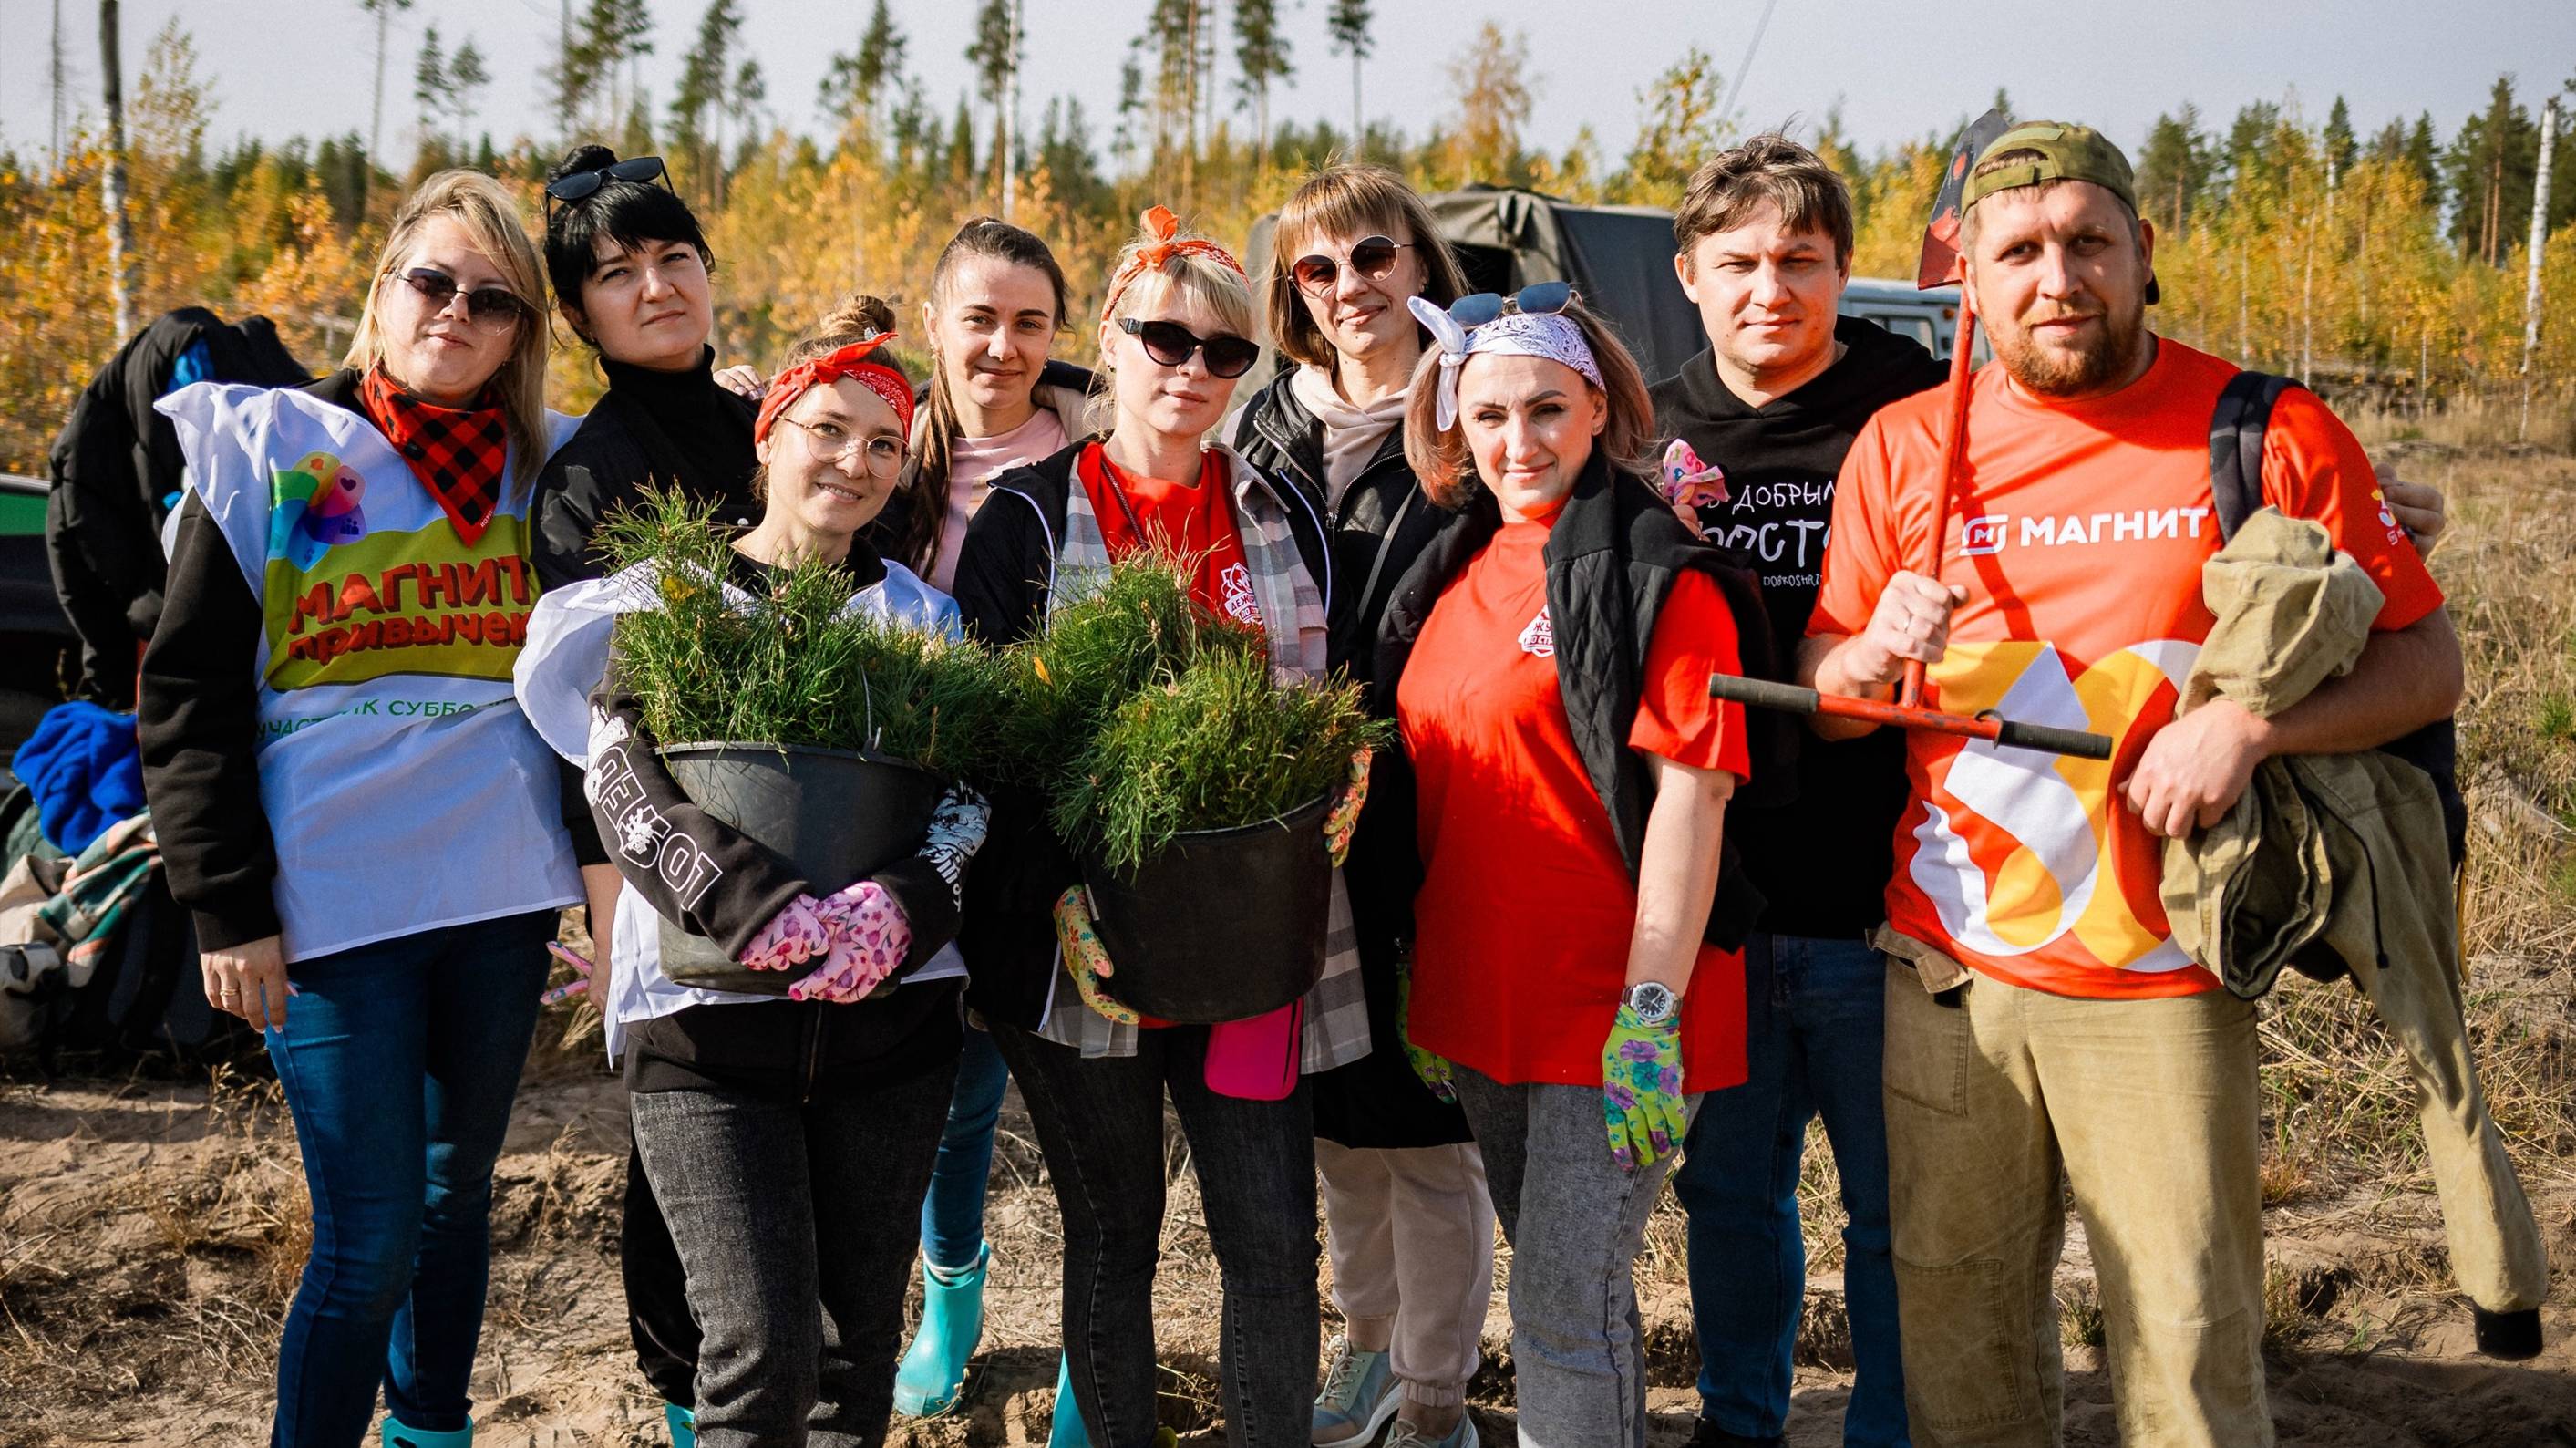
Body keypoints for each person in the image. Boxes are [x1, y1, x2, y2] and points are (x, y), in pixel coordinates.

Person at [1800, 122, 2460, 1448]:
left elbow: (2425, 664)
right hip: (1949, 978)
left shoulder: (2265, 428)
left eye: (2087, 242)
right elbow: (1830, 699)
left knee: (2187, 1352)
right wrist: (1867, 654)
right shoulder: (1900, 448)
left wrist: (2251, 733)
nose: (2058, 277)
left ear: (2141, 255)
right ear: (1967, 280)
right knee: (1958, 1347)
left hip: (2163, 980)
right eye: (2021, 251)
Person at [136, 170, 581, 1448]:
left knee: (455, 1207)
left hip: (498, 906)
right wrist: (224, 906)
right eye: (431, 282)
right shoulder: (270, 447)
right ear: (383, 292)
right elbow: (188, 698)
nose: (455, 312)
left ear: (519, 335)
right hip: (329, 912)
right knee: (370, 1235)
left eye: (491, 300)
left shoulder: (547, 476)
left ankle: (431, 1429)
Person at [521, 295, 993, 1447]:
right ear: (769, 435)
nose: (856, 461)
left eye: (884, 443)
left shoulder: (920, 624)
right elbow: (620, 777)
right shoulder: (674, 604)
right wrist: (749, 903)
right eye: (827, 429)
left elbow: (973, 798)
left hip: (891, 1032)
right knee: (759, 1352)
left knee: (853, 1356)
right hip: (708, 1033)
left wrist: (907, 907)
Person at [951, 206, 1358, 1447]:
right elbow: (987, 751)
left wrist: (1340, 786)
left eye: (1224, 353)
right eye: (1163, 340)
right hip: (1091, 948)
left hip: (1250, 944)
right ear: (1109, 346)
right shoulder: (1024, 522)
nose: (1191, 371)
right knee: (1115, 1233)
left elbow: (1333, 711)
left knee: (1272, 1237)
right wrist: (1051, 901)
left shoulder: (1283, 516)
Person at [1378, 285, 1754, 1448]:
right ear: (1453, 422)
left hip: (1612, 1007)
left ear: (1598, 406)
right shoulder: (1442, 563)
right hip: (1478, 998)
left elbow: (1694, 799)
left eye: (1547, 408)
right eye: (1487, 414)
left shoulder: (1657, 570)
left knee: (1555, 1305)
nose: (1517, 441)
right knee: (1575, 1298)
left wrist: (1652, 1009)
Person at [1648, 134, 1946, 1448]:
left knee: (1894, 1208)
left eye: (1799, 259)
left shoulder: (1918, 407)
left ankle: (1889, 1423)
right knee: (1729, 1191)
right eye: (1738, 262)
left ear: (1841, 270)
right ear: (1688, 276)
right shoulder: (1640, 429)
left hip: (1881, 894)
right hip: (1716, 896)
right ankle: (1738, 1419)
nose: (1769, 286)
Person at [1230, 163, 1492, 1448]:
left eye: (1374, 256)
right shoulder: (1258, 427)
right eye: (1316, 270)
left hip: (1436, 806)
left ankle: (1436, 1384)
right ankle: (1369, 1347)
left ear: (1419, 264)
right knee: (1332, 1103)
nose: (1349, 289)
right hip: (1291, 822)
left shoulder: (1472, 411)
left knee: (1425, 1104)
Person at [525, 143, 756, 1448]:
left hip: (810, 824)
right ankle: (681, 1389)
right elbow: (585, 717)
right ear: (580, 315)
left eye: (674, 258)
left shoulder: (765, 427)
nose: (655, 288)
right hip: (663, 835)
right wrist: (611, 900)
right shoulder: (589, 477)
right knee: (685, 1119)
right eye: (618, 274)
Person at [873, 217, 1099, 1429]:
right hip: (914, 840)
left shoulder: (1099, 457)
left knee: (1081, 1109)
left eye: (1028, 323)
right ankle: (950, 1300)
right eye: (980, 318)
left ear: (1055, 337)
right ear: (935, 326)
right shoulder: (884, 455)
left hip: (1059, 835)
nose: (1002, 347)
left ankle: (1088, 1352)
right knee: (947, 1099)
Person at [46, 306, 308, 708]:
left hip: (167, 604)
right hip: (222, 608)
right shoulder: (217, 361)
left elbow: (75, 527)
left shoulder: (141, 386)